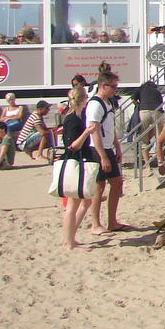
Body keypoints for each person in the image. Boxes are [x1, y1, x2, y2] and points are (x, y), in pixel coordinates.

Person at [83, 70, 130, 235]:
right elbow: (94, 131)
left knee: (116, 183)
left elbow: (110, 127)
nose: (115, 89)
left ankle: (112, 221)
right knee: (99, 186)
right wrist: (103, 156)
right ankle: (95, 224)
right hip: (97, 149)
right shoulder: (95, 104)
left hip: (108, 147)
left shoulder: (107, 103)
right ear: (103, 86)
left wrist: (116, 145)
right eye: (113, 86)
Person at [60, 86, 95, 250]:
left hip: (82, 159)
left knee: (86, 201)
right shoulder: (72, 119)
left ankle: (70, 236)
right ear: (83, 99)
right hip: (75, 161)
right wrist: (87, 132)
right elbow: (72, 146)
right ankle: (69, 241)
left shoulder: (78, 116)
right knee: (73, 205)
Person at [132, 79, 164, 168]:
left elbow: (133, 100)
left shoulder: (141, 89)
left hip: (144, 111)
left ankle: (147, 165)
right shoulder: (157, 92)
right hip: (157, 111)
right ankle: (160, 162)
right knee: (159, 138)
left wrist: (139, 105)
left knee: (144, 139)